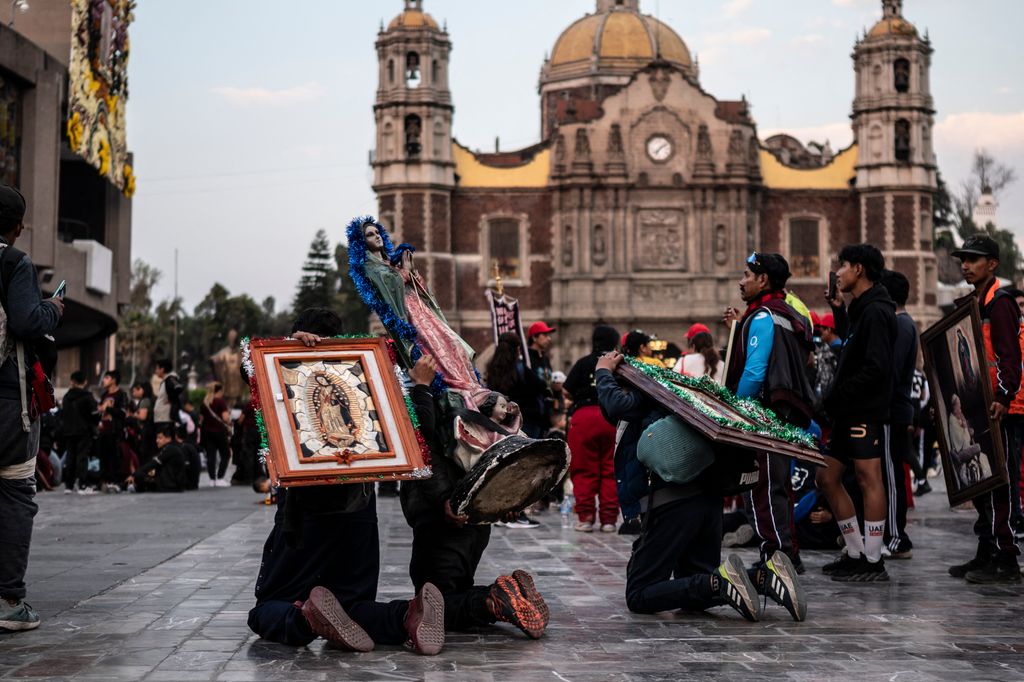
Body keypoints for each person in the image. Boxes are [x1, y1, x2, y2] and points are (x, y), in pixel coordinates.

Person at [247, 307, 445, 654]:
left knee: (266, 607)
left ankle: (307, 618)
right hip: (359, 513)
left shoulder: (284, 373)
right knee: (353, 606)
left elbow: (253, 375)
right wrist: (422, 386)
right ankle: (406, 615)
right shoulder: (367, 374)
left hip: (307, 513)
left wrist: (288, 352)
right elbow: (420, 431)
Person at [594, 351, 806, 623]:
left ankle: (721, 583)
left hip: (672, 503)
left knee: (639, 594)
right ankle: (765, 577)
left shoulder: (650, 393)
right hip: (708, 502)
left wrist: (603, 371)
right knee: (697, 587)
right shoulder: (680, 396)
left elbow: (615, 405)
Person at [401, 351, 549, 641]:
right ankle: (508, 594)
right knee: (455, 590)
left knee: (433, 605)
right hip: (475, 519)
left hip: (445, 516)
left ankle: (494, 601)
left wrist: (420, 386)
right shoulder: (474, 397)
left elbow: (423, 446)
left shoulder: (439, 398)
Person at [722, 253, 816, 575]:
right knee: (779, 487)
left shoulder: (763, 316)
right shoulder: (788, 314)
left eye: (747, 274)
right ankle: (789, 554)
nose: (741, 280)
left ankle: (776, 559)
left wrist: (735, 410)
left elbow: (755, 371)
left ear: (763, 280)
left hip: (762, 415)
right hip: (785, 413)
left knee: (763, 488)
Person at [0, 184, 63, 632]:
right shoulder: (13, 262)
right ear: (18, 226)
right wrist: (53, 308)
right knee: (15, 492)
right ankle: (8, 602)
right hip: (7, 402)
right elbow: (25, 321)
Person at [817, 244, 897, 582]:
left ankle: (874, 560)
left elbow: (875, 367)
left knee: (868, 479)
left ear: (860, 269)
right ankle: (855, 550)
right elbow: (853, 345)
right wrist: (839, 312)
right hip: (847, 411)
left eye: (844, 266)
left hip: (864, 409)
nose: (839, 272)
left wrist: (837, 396)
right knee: (827, 477)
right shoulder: (862, 308)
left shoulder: (878, 310)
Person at [947, 235, 1022, 583]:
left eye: (974, 259)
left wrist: (1003, 398)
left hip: (996, 411)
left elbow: (1010, 359)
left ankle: (1005, 557)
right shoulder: (972, 302)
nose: (966, 265)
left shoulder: (1001, 303)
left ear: (992, 264)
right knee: (980, 481)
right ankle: (985, 550)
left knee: (998, 482)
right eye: (964, 259)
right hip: (976, 406)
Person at [563, 325, 621, 533]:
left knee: (583, 470)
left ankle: (586, 517)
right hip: (611, 418)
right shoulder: (619, 363)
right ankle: (609, 520)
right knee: (611, 470)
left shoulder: (583, 363)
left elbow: (566, 391)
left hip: (584, 417)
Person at [483, 332, 542, 529]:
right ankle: (518, 513)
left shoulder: (493, 368)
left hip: (498, 424)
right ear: (518, 349)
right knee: (524, 468)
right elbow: (540, 386)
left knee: (502, 467)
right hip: (522, 422)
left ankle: (499, 511)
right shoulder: (520, 368)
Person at [879, 270, 918, 560]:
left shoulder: (902, 325)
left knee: (893, 477)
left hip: (894, 411)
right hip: (892, 410)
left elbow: (891, 371)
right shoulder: (900, 323)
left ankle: (896, 537)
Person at [60, 371, 98, 494]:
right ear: (85, 381)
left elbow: (63, 415)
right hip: (84, 431)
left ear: (72, 381)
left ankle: (68, 486)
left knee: (70, 457)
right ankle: (82, 485)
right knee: (82, 457)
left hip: (69, 431)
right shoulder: (87, 396)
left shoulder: (66, 397)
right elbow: (95, 415)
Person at [126, 424, 187, 493]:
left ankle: (127, 485)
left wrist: (134, 474)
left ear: (168, 438)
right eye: (156, 438)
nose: (157, 441)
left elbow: (153, 464)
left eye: (160, 438)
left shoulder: (170, 449)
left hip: (171, 487)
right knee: (144, 474)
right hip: (174, 485)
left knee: (140, 475)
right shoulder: (171, 447)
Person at [97, 369, 131, 492]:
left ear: (113, 380)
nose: (104, 381)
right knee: (103, 458)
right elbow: (100, 410)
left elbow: (123, 413)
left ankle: (116, 482)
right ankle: (104, 482)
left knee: (115, 458)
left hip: (115, 431)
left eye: (106, 378)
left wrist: (108, 409)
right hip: (103, 430)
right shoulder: (104, 395)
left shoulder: (121, 394)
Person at [523, 321, 557, 438]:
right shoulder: (526, 358)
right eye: (545, 335)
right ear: (534, 337)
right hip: (529, 414)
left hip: (544, 415)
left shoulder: (545, 358)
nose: (549, 339)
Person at [201, 382, 232, 487]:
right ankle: (220, 478)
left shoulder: (204, 402)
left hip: (206, 432)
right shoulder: (220, 402)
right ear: (219, 391)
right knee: (226, 454)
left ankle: (212, 479)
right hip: (219, 431)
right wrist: (229, 418)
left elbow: (201, 419)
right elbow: (225, 418)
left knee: (211, 456)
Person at [128, 381, 155, 464]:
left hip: (145, 433)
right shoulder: (148, 400)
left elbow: (143, 417)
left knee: (144, 457)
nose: (134, 392)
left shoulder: (145, 401)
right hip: (148, 432)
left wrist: (132, 415)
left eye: (138, 389)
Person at [152, 359, 183, 431]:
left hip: (165, 419)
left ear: (162, 369)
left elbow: (178, 388)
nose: (156, 371)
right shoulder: (166, 380)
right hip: (162, 418)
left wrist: (171, 399)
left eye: (157, 368)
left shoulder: (170, 379)